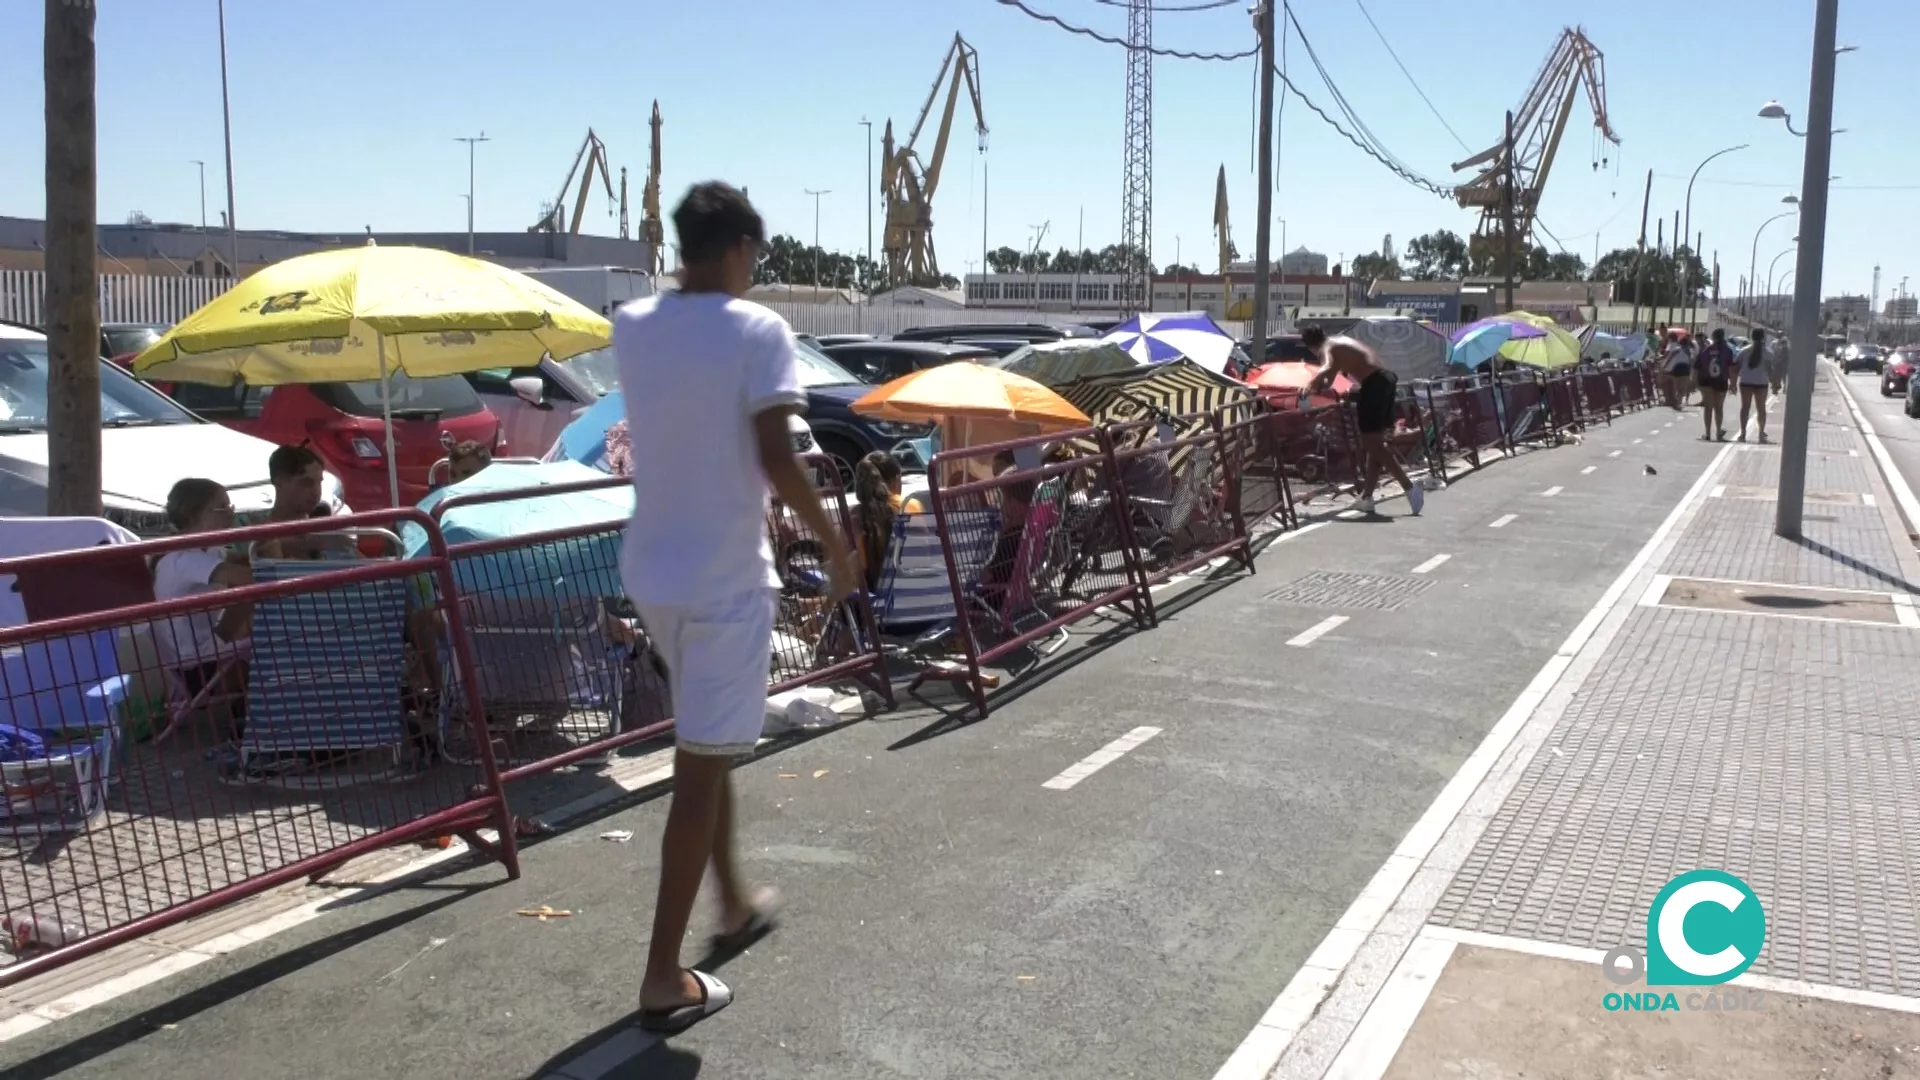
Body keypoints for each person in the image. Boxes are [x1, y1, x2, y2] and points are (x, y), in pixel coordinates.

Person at [613, 181, 856, 1033]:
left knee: (706, 751)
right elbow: (777, 456)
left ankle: (733, 903)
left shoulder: (633, 324)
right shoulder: (759, 330)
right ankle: (661, 975)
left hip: (654, 572)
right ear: (741, 248)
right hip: (723, 578)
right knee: (698, 772)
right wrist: (836, 546)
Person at [152, 479, 253, 742]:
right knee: (262, 617)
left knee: (251, 603)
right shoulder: (186, 559)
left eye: (231, 506)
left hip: (205, 651)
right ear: (193, 515)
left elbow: (241, 561)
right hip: (196, 666)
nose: (231, 513)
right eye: (222, 508)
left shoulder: (207, 550)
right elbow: (247, 577)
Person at [1303, 326, 1424, 516]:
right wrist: (1318, 386)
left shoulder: (1327, 347)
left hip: (1374, 384)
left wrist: (1309, 384)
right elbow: (1329, 380)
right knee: (1375, 445)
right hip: (1386, 380)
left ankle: (1409, 487)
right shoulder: (1338, 342)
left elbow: (1325, 367)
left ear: (1311, 347)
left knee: (1371, 444)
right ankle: (1367, 497)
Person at [851, 451, 903, 593]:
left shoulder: (855, 517)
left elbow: (854, 572)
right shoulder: (907, 507)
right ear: (895, 479)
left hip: (870, 600)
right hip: (914, 595)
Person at [1693, 328, 1737, 442]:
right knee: (1719, 407)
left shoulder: (1706, 350)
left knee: (1708, 407)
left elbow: (1697, 366)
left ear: (1713, 337)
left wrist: (1695, 382)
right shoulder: (1728, 350)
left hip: (1707, 380)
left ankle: (1707, 433)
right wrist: (1733, 383)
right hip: (1721, 380)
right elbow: (1732, 368)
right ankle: (1718, 432)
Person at [1736, 328, 1773, 443]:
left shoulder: (1744, 351)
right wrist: (1775, 383)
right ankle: (1761, 434)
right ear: (1763, 337)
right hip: (1761, 383)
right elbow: (1770, 369)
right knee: (1761, 408)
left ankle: (1743, 434)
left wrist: (1732, 383)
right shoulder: (1768, 353)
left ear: (1752, 337)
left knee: (1745, 408)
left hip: (1746, 382)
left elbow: (1736, 366)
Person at [1660, 331, 1691, 410]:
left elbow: (1667, 356)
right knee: (1682, 387)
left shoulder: (1670, 345)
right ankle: (1678, 401)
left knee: (1670, 385)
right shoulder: (1681, 347)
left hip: (1675, 368)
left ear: (1670, 338)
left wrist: (1663, 365)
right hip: (1685, 367)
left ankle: (1671, 400)